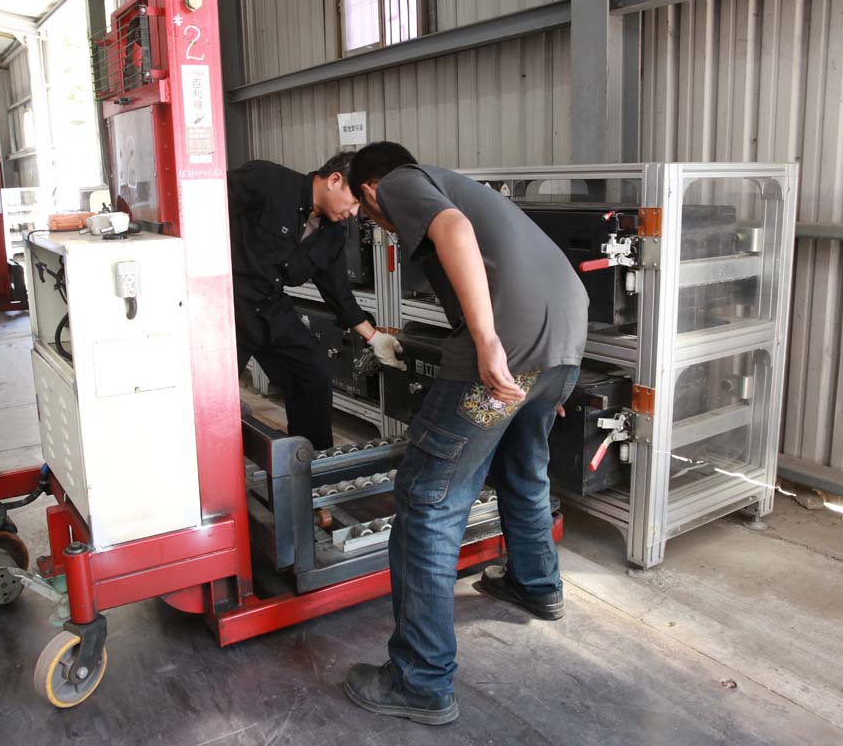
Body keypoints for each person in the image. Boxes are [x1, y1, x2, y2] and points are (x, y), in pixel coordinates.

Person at [342, 142, 589, 725]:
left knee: (428, 500)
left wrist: (489, 342)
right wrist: (539, 372)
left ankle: (420, 679)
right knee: (522, 468)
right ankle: (536, 585)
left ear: (369, 191)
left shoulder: (399, 181)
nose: (379, 226)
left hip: (510, 350)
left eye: (368, 216)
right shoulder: (463, 187)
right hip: (563, 345)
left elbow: (452, 230)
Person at [228, 152, 406, 450]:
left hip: (270, 305)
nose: (354, 213)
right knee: (214, 396)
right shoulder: (268, 181)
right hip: (226, 305)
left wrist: (374, 337)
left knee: (313, 377)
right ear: (335, 180)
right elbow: (201, 202)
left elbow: (338, 292)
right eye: (354, 202)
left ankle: (311, 462)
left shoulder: (332, 233)